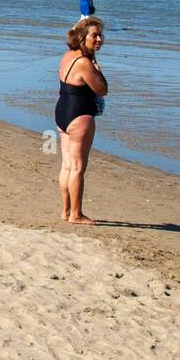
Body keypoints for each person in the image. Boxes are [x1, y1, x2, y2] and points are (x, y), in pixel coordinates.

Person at [55, 17, 108, 225]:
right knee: (77, 167)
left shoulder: (68, 56)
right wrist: (96, 65)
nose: (99, 39)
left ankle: (66, 210)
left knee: (67, 165)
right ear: (81, 37)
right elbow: (102, 89)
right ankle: (76, 214)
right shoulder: (85, 63)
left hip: (62, 111)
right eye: (94, 35)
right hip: (80, 115)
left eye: (100, 35)